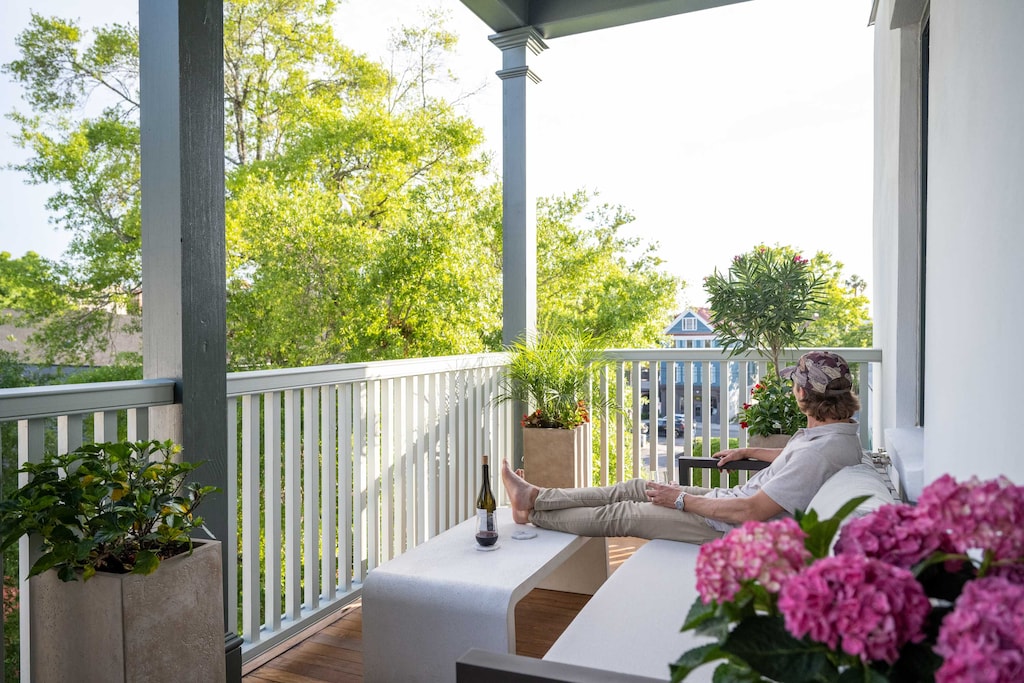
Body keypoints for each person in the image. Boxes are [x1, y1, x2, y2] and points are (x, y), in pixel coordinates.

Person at [501, 350, 863, 544]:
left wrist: (680, 500)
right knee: (636, 487)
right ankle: (535, 496)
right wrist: (750, 452)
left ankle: (532, 513)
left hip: (729, 527)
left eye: (796, 383)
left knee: (625, 512)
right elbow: (793, 459)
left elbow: (751, 512)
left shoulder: (819, 452)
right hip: (727, 506)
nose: (793, 388)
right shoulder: (836, 435)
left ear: (804, 393)